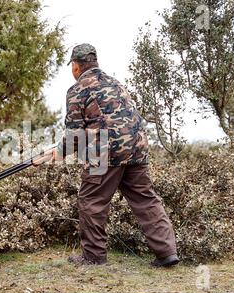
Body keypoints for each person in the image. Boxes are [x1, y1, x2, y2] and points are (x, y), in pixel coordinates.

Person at [33, 44, 179, 268]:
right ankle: (167, 253)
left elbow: (75, 135)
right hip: (137, 148)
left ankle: (93, 257)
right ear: (95, 62)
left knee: (91, 200)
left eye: (72, 65)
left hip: (104, 153)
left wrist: (56, 154)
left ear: (76, 66)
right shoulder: (117, 83)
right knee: (146, 199)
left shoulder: (77, 89)